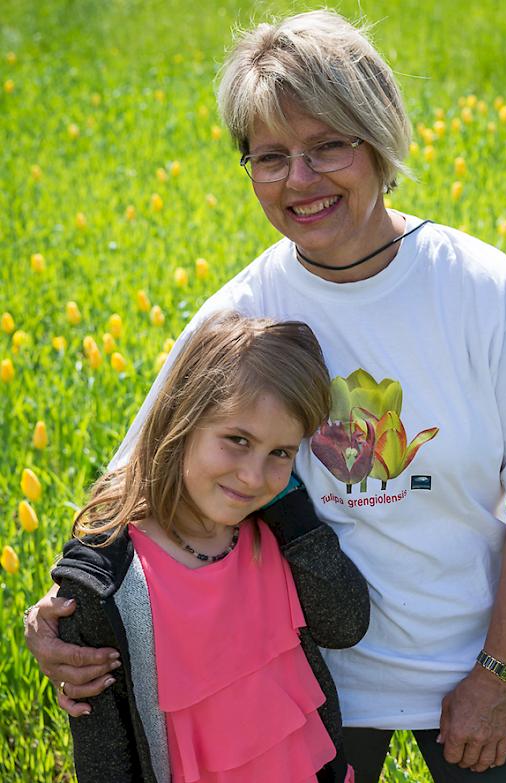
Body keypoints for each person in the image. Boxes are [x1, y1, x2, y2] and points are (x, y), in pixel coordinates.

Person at [26, 10, 506, 782]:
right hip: (311, 677)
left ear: (378, 138)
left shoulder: (484, 289)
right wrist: (54, 611)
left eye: (327, 146)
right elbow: (133, 479)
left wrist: (497, 674)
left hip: (487, 659)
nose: (299, 181)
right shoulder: (243, 313)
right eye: (269, 157)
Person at [50, 312, 367, 782]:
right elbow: (104, 757)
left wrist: (292, 509)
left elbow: (345, 623)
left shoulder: (276, 535)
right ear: (183, 419)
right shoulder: (109, 584)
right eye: (237, 440)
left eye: (280, 453)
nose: (253, 476)